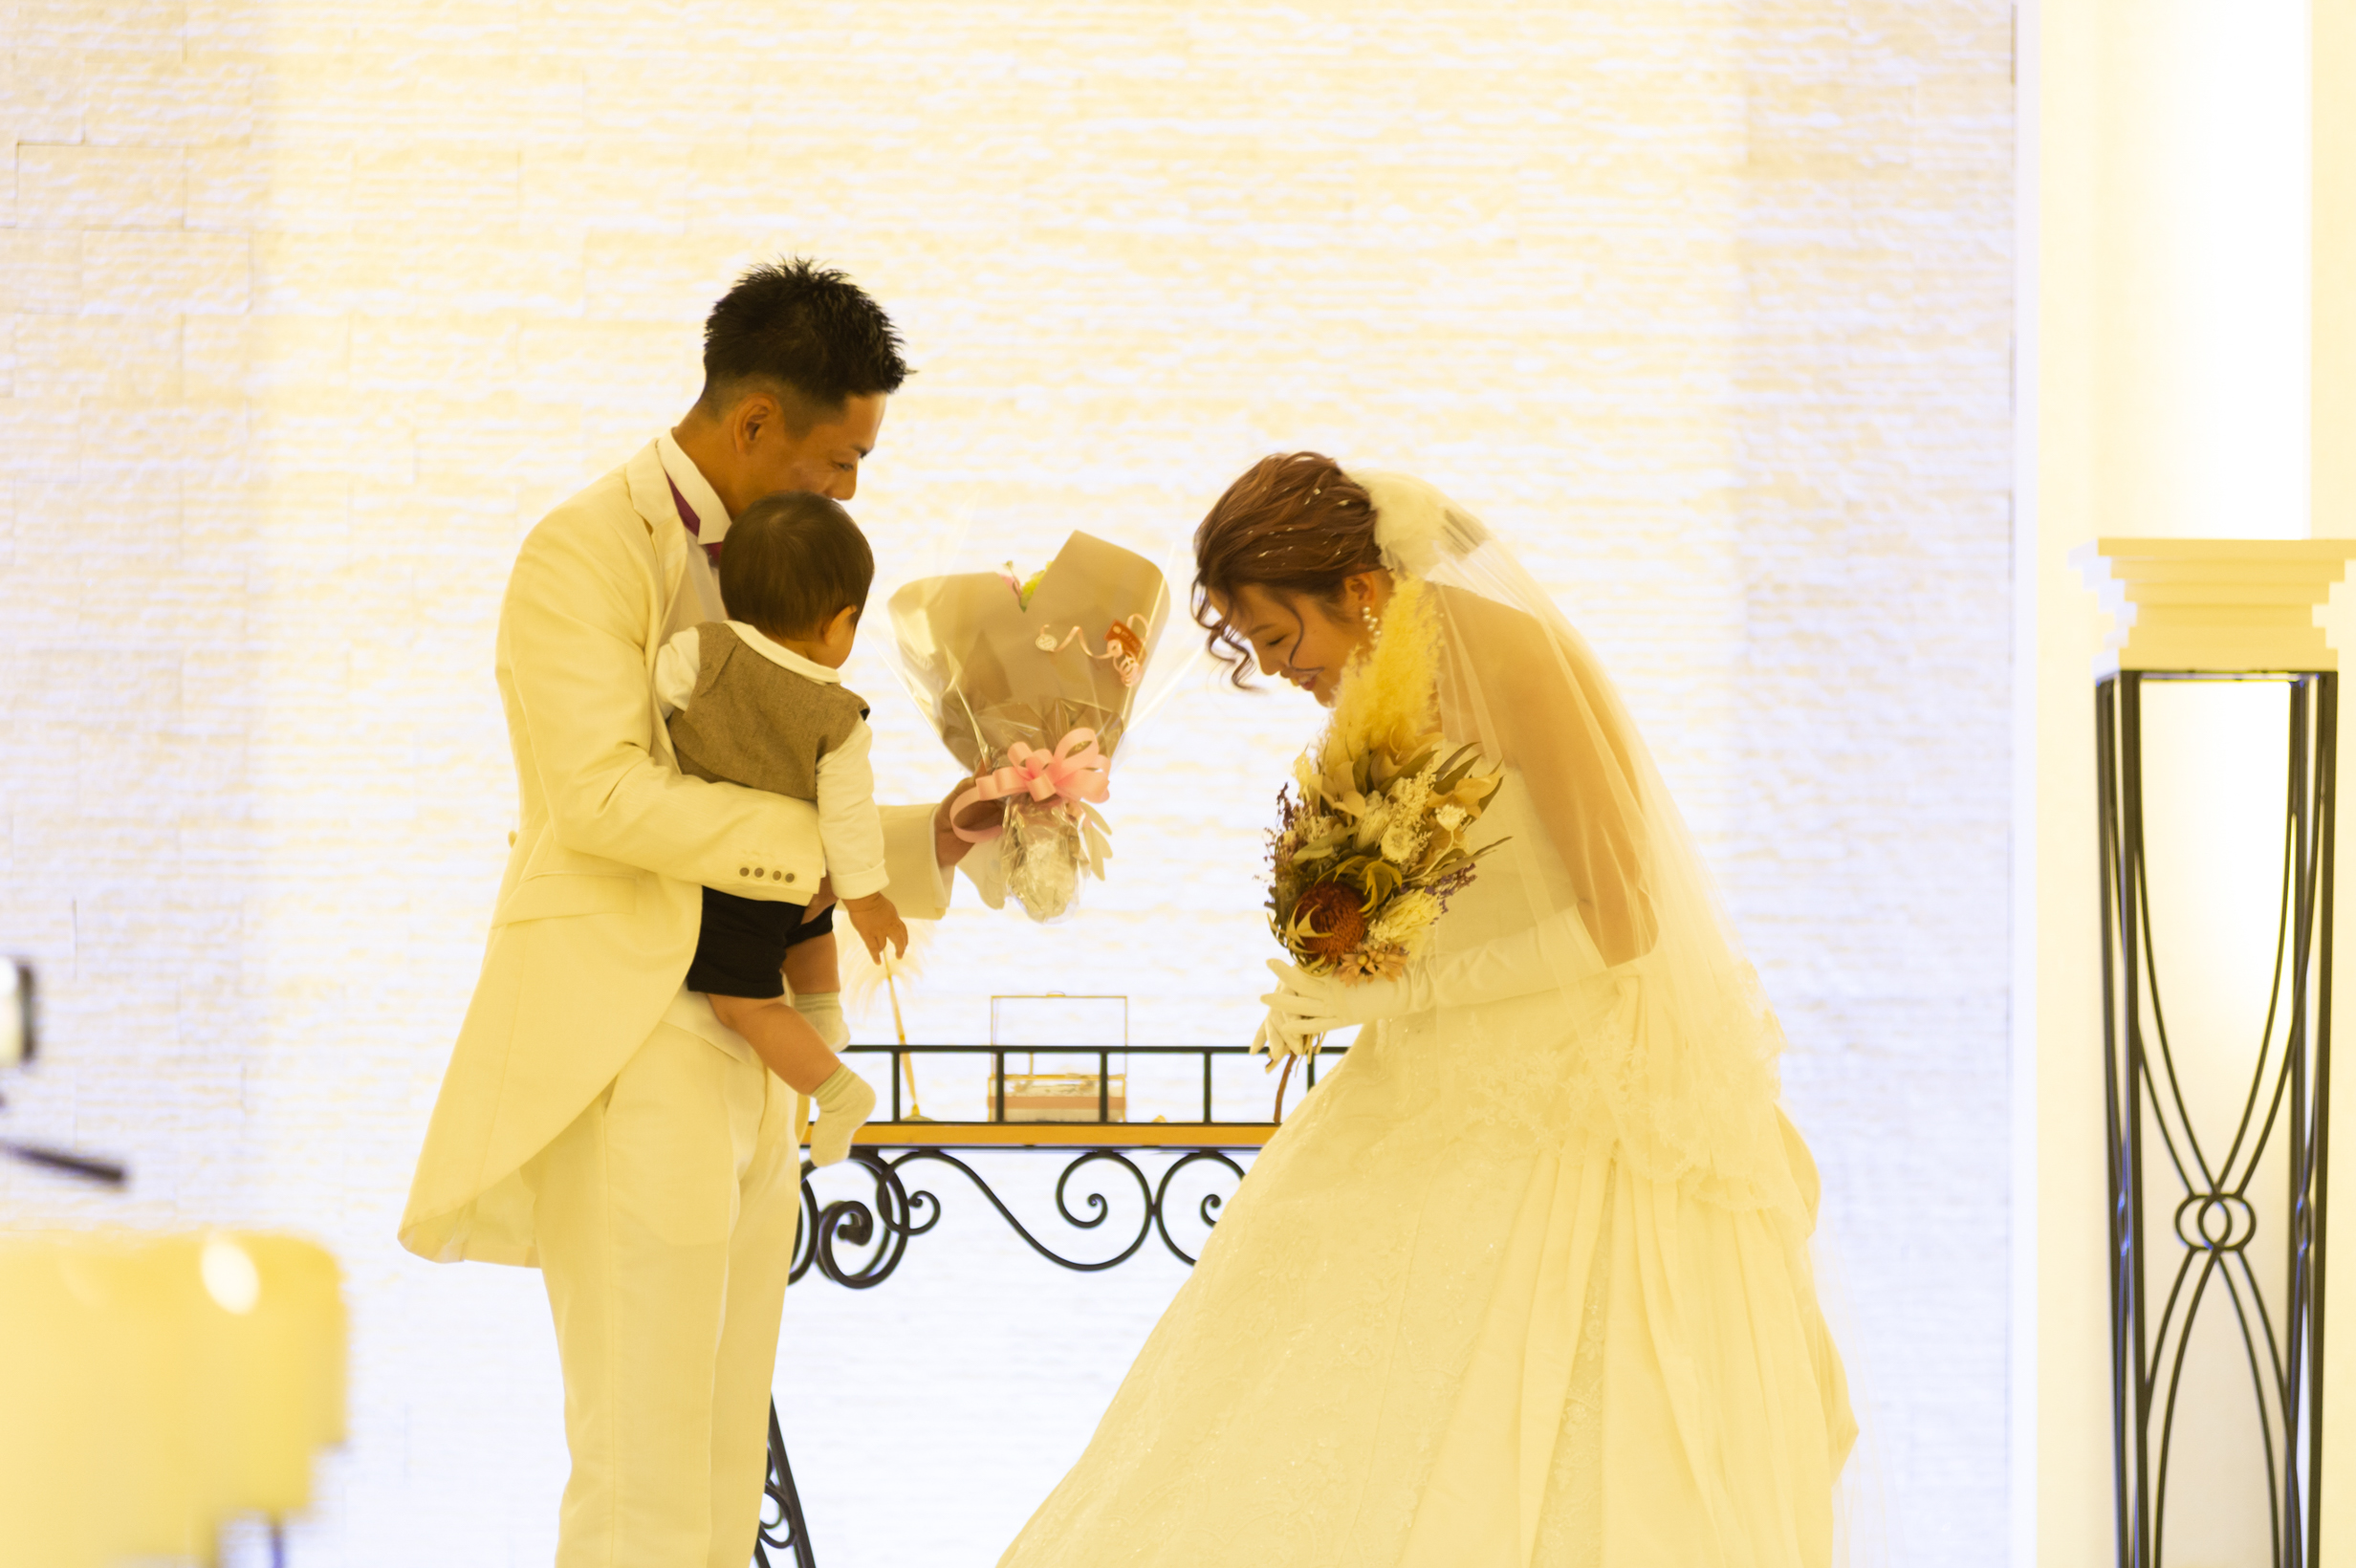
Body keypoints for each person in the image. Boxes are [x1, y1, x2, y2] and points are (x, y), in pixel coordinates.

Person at [998, 454, 1856, 1567]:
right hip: (1428, 1071)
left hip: (1573, 1094)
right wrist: (1345, 966)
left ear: (1357, 587)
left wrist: (1399, 989)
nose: (1278, 669)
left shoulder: (1519, 659)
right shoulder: (1382, 681)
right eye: (1256, 646)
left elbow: (1624, 919)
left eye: (1278, 635)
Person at [399, 259, 986, 1568]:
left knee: (720, 1467)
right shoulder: (583, 550)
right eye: (842, 460)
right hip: (636, 1036)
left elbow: (789, 805)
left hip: (757, 1050)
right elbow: (601, 797)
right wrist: (826, 858)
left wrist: (935, 835)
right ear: (757, 420)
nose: (850, 491)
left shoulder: (781, 568)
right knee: (642, 1470)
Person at [654, 490, 901, 1168]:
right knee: (800, 937)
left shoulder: (697, 653)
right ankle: (828, 1042)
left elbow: (640, 721)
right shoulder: (840, 718)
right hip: (796, 884)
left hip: (724, 876)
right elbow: (849, 820)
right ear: (839, 623)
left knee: (742, 1003)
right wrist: (867, 899)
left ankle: (830, 1076)